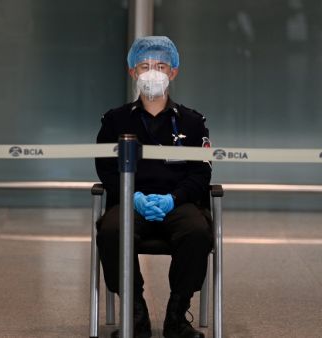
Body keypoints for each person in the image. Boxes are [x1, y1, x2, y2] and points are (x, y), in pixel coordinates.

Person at [95, 36, 213, 338]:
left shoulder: (192, 122)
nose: (152, 72)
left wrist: (175, 199)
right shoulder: (115, 120)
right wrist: (131, 197)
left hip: (178, 202)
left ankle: (177, 314)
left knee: (197, 232)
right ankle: (136, 313)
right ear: (132, 71)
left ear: (173, 71)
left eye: (160, 66)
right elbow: (106, 169)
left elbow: (201, 173)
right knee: (111, 230)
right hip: (130, 202)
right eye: (144, 66)